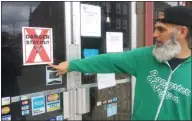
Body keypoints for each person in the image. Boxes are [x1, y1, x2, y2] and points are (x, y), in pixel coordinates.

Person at [48, 6, 192, 120]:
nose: (154, 34)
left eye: (161, 29)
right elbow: (109, 61)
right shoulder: (146, 56)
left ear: (182, 32)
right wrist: (72, 65)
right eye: (155, 28)